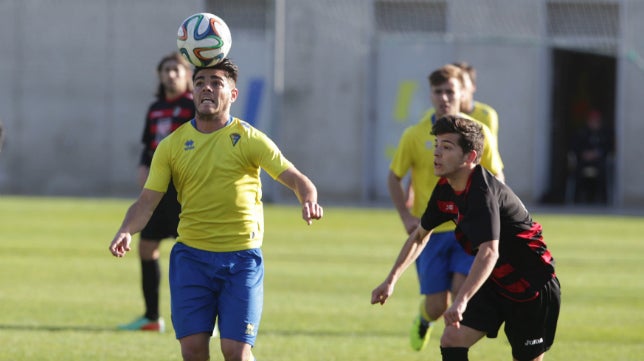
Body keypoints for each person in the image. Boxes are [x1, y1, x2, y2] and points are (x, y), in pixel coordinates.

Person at [109, 59, 323, 361]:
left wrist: (308, 199)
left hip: (241, 259)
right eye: (200, 82)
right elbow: (146, 202)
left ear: (232, 95)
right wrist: (125, 230)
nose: (206, 88)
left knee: (235, 352)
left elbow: (298, 180)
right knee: (193, 351)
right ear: (192, 91)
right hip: (191, 259)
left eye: (216, 82)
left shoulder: (249, 138)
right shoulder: (171, 145)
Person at [373, 115, 560, 361]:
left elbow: (489, 251)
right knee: (451, 339)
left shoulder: (483, 193)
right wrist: (391, 280)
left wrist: (460, 300)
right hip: (495, 281)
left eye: (447, 147)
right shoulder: (445, 189)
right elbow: (419, 236)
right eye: (436, 145)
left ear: (470, 157)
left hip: (532, 286)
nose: (437, 153)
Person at [387, 64, 505, 351]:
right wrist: (405, 214)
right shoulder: (415, 135)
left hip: (467, 230)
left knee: (460, 293)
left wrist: (492, 214)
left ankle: (453, 348)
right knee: (437, 304)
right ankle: (424, 320)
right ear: (430, 95)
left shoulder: (479, 132)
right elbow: (394, 176)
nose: (444, 97)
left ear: (462, 93)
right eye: (438, 91)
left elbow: (497, 176)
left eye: (450, 91)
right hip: (431, 230)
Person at [118, 52, 196, 332]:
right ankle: (152, 318)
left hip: (185, 193)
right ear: (160, 75)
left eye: (176, 69)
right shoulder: (155, 108)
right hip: (157, 192)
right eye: (166, 70)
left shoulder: (194, 106)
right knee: (147, 247)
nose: (171, 74)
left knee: (193, 254)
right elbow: (148, 144)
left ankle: (204, 320)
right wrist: (143, 165)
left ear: (187, 75)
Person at [570, 109, 613, 205]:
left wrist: (596, 154)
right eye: (592, 120)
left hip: (599, 162)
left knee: (602, 173)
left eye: (596, 121)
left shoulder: (604, 133)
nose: (594, 123)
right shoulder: (582, 133)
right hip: (584, 161)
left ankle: (601, 199)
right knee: (578, 172)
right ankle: (579, 198)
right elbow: (576, 147)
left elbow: (607, 148)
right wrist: (584, 154)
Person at [452, 61, 499, 140]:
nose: (459, 90)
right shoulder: (431, 115)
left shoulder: (486, 115)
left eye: (462, 85)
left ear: (473, 87)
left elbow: (485, 148)